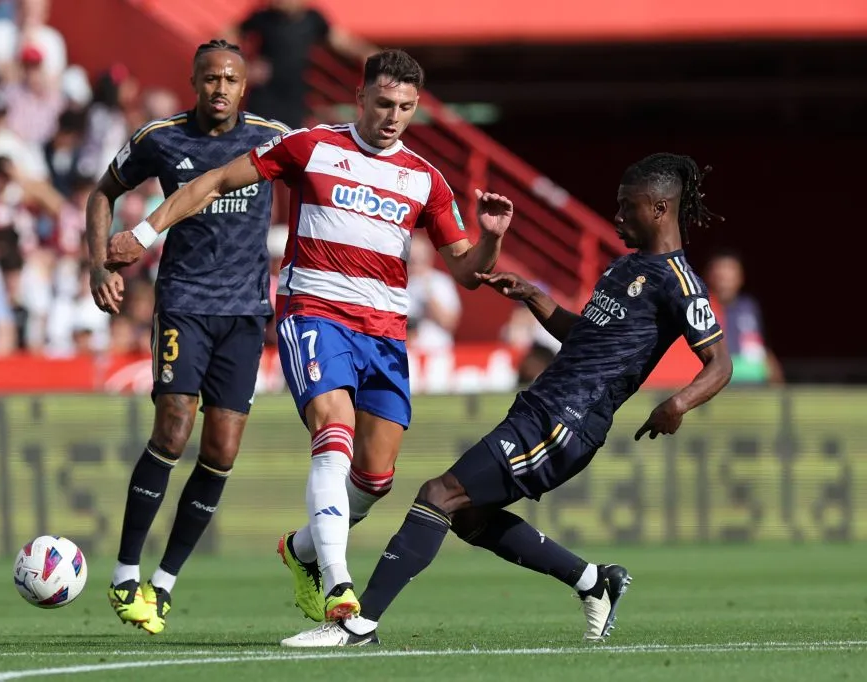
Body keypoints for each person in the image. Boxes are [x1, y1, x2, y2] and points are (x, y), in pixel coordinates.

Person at [105, 49, 513, 626]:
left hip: (386, 335)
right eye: (382, 103)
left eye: (404, 107)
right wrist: (146, 231)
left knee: (374, 479)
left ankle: (300, 552)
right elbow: (217, 179)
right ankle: (339, 586)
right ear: (360, 98)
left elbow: (468, 272)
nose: (392, 116)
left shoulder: (426, 180)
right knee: (333, 429)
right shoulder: (311, 145)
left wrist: (492, 240)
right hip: (314, 316)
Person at [278, 152, 734, 647]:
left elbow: (719, 363)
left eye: (629, 207)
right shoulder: (628, 268)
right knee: (470, 519)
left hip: (567, 421)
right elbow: (588, 337)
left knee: (439, 495)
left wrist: (678, 404)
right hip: (543, 406)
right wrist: (533, 296)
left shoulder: (679, 280)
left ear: (661, 209)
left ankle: (356, 624)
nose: (618, 217)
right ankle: (593, 581)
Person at [85, 39, 289, 636]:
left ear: (243, 88)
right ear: (194, 82)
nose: (220, 88)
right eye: (209, 79)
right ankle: (125, 574)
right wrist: (98, 264)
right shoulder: (161, 138)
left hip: (248, 312)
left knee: (222, 450)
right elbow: (103, 192)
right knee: (173, 429)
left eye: (230, 78)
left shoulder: (272, 137)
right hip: (184, 305)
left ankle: (164, 583)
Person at [226, 0, 375, 128]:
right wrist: (243, 67)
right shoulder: (263, 16)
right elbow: (229, 34)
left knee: (289, 139)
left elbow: (340, 40)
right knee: (258, 139)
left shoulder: (312, 19)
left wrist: (366, 53)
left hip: (295, 97)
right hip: (265, 96)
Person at [705, 249, 782, 385]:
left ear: (740, 278)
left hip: (755, 380)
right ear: (709, 277)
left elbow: (761, 347)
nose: (725, 284)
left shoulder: (749, 306)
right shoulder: (702, 309)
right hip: (723, 379)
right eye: (720, 277)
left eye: (730, 277)